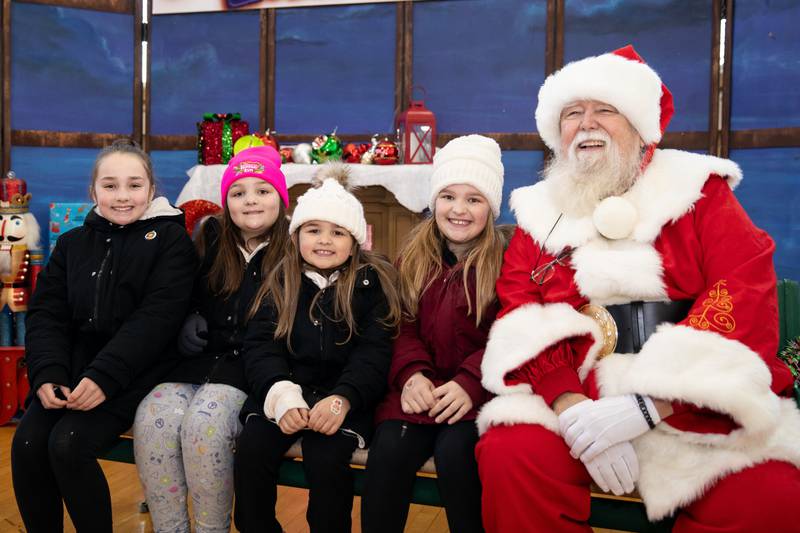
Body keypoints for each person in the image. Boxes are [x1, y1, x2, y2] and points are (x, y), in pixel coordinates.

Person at [475, 45, 800, 532]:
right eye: (572, 114)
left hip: (691, 401)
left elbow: (745, 285)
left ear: (638, 123)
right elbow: (520, 305)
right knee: (511, 453)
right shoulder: (540, 211)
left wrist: (653, 404)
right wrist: (569, 405)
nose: (587, 124)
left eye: (605, 110)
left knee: (768, 492)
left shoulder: (697, 190)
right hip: (576, 392)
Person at [11, 139, 197, 533]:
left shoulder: (171, 241)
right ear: (93, 191)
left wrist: (104, 377)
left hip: (138, 373)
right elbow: (48, 315)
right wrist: (48, 374)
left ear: (151, 189)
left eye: (134, 185)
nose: (123, 196)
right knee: (27, 445)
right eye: (110, 185)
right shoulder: (72, 244)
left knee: (68, 445)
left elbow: (156, 319)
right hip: (74, 373)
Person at [233, 163, 402, 533]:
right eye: (313, 230)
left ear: (356, 241)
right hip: (286, 393)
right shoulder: (281, 280)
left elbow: (374, 354)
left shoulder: (371, 285)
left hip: (343, 400)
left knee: (326, 463)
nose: (324, 241)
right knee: (251, 452)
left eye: (337, 232)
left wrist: (344, 397)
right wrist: (280, 393)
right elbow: (260, 346)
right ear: (296, 237)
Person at [132, 146, 290, 533]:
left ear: (281, 199)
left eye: (262, 190)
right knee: (153, 418)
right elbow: (186, 291)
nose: (250, 200)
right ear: (227, 203)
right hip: (200, 360)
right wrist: (191, 317)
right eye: (238, 193)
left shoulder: (297, 245)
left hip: (250, 369)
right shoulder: (213, 237)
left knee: (204, 426)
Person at [361, 135, 506, 533]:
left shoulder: (504, 263)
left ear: (490, 207)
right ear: (434, 201)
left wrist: (470, 383)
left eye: (474, 199)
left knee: (458, 454)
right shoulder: (413, 258)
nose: (459, 210)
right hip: (418, 390)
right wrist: (411, 374)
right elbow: (399, 324)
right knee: (389, 449)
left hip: (474, 395)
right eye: (448, 197)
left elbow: (508, 333)